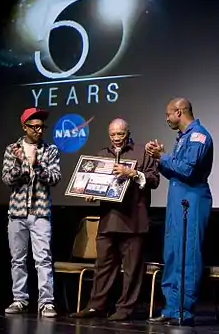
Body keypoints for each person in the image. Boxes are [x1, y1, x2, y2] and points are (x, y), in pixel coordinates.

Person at [70, 118, 160, 321]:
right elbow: (96, 183)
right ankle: (96, 306)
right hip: (108, 220)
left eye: (120, 134)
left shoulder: (142, 152)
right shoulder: (102, 155)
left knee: (132, 270)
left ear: (128, 132)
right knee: (103, 266)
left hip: (134, 219)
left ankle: (125, 309)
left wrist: (133, 173)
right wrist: (90, 191)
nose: (117, 138)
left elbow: (154, 180)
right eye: (113, 135)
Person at [145, 98, 213, 326]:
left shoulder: (199, 136)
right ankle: (171, 308)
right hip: (177, 201)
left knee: (188, 256)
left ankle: (184, 310)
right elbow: (174, 172)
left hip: (192, 201)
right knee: (173, 255)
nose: (166, 119)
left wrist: (164, 157)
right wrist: (160, 158)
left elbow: (186, 170)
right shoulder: (183, 139)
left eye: (168, 114)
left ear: (179, 111)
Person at [2, 108, 61, 317]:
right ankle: (20, 299)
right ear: (24, 127)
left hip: (40, 212)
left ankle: (46, 302)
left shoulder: (50, 149)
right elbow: (8, 179)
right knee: (17, 260)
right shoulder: (13, 149)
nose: (38, 131)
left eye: (41, 127)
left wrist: (35, 165)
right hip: (17, 213)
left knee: (43, 258)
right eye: (34, 127)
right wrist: (20, 163)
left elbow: (54, 178)